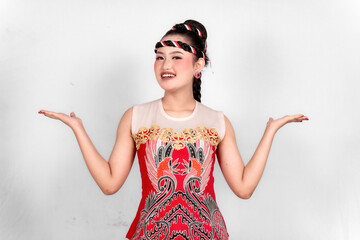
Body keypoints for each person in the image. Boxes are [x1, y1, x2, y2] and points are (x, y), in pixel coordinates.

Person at [38, 19, 309, 240]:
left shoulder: (217, 121)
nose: (165, 65)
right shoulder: (136, 116)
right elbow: (109, 184)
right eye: (159, 57)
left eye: (176, 57)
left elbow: (244, 188)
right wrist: (78, 129)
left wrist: (271, 131)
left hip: (207, 234)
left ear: (198, 65)